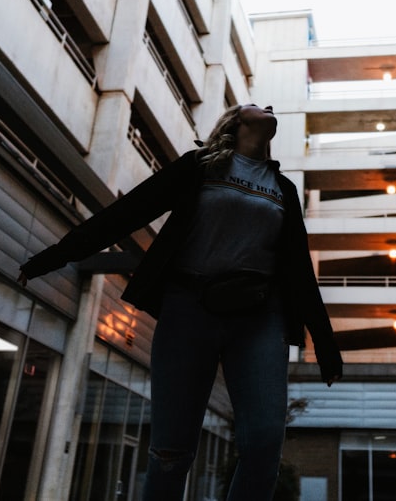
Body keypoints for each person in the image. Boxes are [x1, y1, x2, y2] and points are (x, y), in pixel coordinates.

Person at [18, 103, 342, 500]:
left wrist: (325, 344)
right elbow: (127, 212)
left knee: (263, 445)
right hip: (189, 308)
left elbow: (299, 271)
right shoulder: (199, 167)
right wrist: (53, 256)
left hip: (259, 317)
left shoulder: (284, 190)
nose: (271, 108)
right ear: (237, 121)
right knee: (171, 449)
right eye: (259, 105)